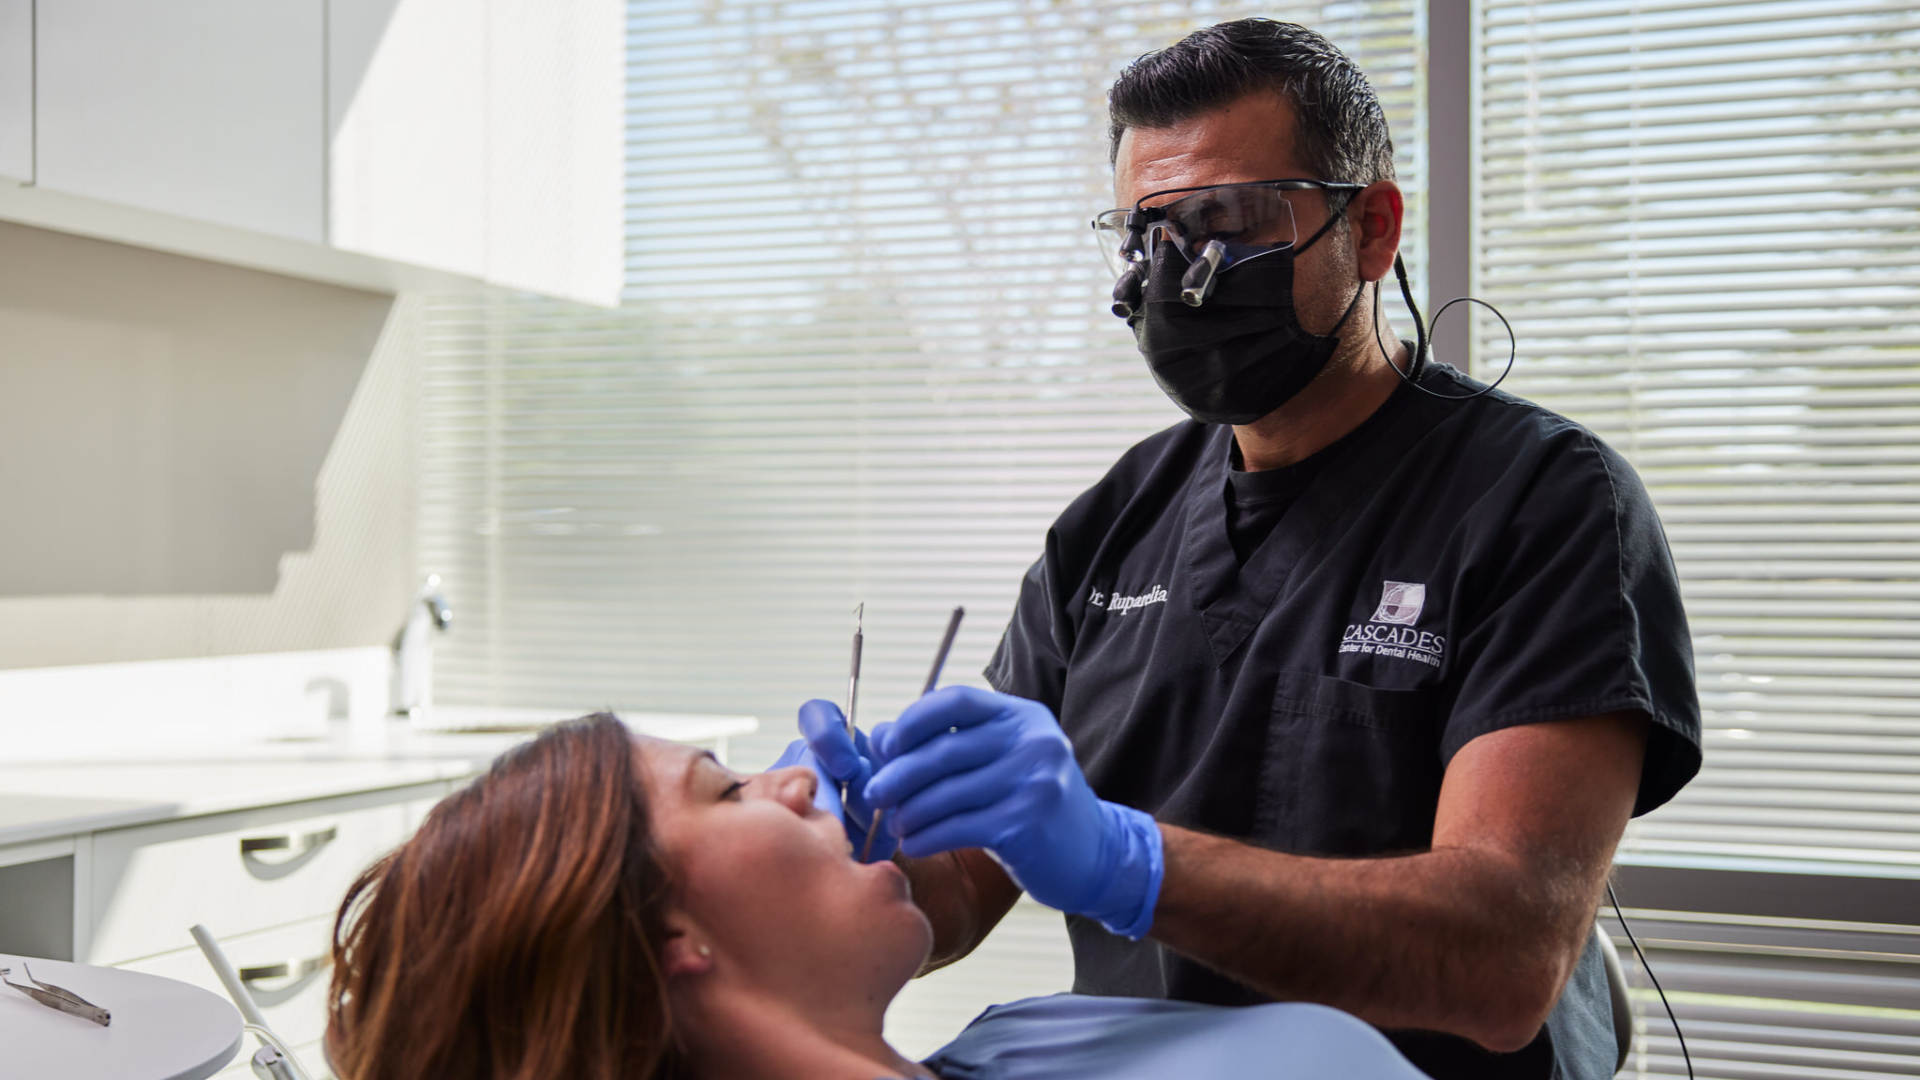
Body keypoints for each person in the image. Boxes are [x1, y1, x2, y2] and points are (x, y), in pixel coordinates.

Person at [785, 18, 1704, 1080]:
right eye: (1148, 235)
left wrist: (1130, 863)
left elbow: (1504, 960)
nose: (1178, 274)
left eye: (1226, 221)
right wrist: (853, 847)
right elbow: (961, 888)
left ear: (1370, 231)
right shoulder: (1114, 523)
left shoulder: (1541, 502)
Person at [324, 714, 1431, 1080]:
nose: (799, 778)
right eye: (729, 786)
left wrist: (1119, 858)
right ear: (669, 938)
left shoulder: (1024, 1037)